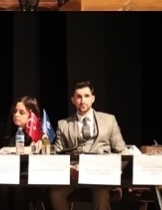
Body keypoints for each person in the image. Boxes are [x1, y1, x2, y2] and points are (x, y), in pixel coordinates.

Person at [49, 81, 126, 210]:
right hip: (74, 174)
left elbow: (122, 151)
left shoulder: (109, 120)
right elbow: (57, 153)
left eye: (86, 96)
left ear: (93, 98)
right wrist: (69, 168)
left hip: (99, 173)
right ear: (73, 100)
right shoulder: (63, 124)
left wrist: (112, 172)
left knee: (101, 194)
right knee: (55, 193)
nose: (82, 100)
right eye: (78, 97)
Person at [0, 97, 44, 210]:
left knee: (18, 187)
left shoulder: (37, 128)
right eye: (14, 111)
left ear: (31, 114)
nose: (16, 115)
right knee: (3, 187)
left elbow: (35, 148)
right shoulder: (5, 126)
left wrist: (10, 150)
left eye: (21, 112)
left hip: (27, 175)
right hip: (5, 173)